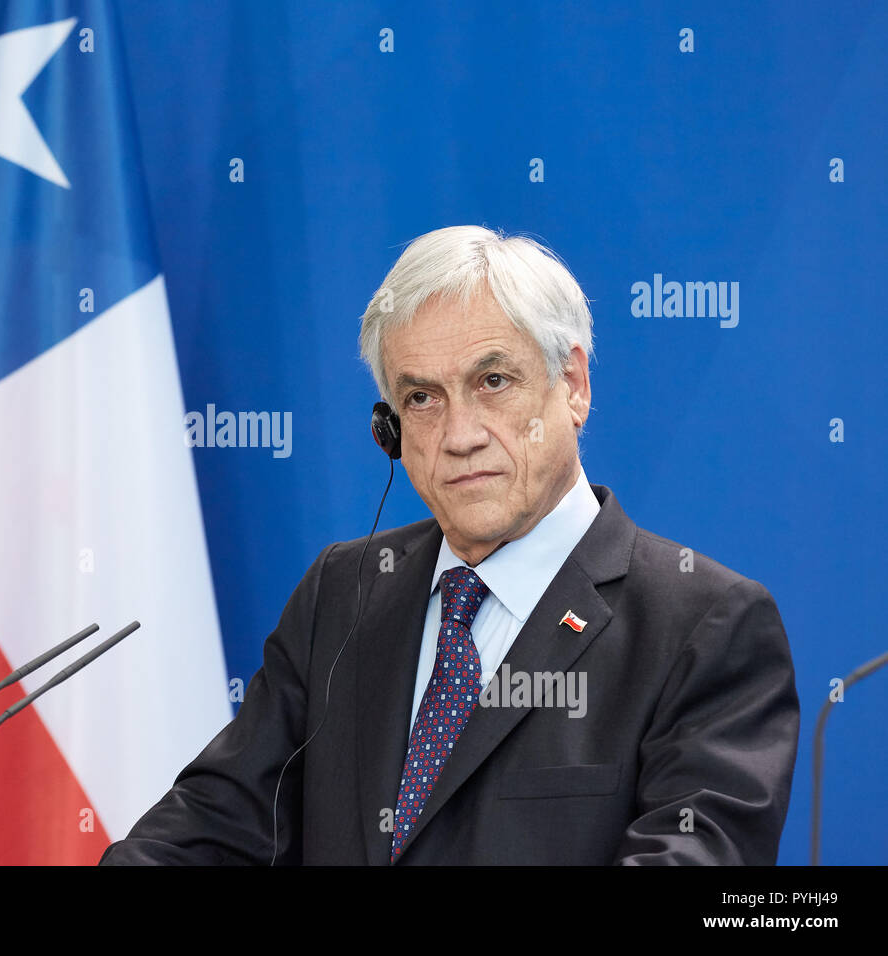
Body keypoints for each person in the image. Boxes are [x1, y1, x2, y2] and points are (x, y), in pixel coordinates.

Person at [100, 225, 800, 865]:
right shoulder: (343, 593)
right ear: (391, 427)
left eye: (493, 382)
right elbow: (215, 828)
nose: (459, 435)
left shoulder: (703, 626)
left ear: (574, 384)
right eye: (422, 399)